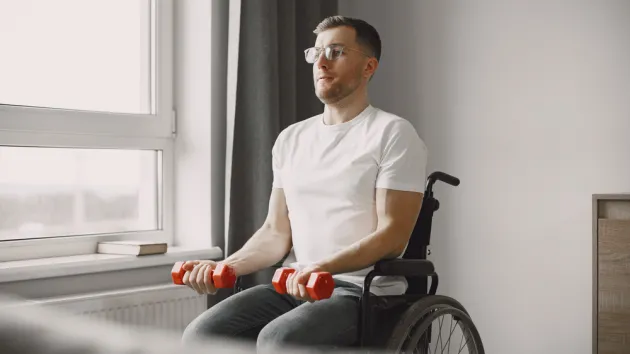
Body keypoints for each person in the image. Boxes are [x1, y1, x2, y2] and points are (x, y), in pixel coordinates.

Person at [181, 15, 428, 351]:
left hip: (358, 291)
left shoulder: (393, 133)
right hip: (292, 284)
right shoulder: (291, 138)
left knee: (278, 340)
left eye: (336, 51)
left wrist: (321, 267)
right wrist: (225, 266)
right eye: (316, 53)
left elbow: (392, 237)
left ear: (368, 66)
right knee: (200, 335)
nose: (321, 62)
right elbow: (274, 232)